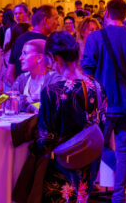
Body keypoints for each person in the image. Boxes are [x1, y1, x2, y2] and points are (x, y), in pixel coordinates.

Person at [81, 0, 126, 203]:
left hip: (103, 104)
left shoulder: (95, 38)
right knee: (123, 149)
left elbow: (87, 73)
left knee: (98, 147)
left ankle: (86, 194)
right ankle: (119, 196)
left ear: (106, 14)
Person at [35, 31, 104, 202]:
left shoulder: (52, 91)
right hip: (89, 160)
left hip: (63, 162)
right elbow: (101, 122)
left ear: (55, 57)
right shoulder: (95, 85)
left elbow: (45, 138)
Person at [8, 5, 59, 83]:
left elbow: (9, 74)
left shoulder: (19, 39)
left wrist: (19, 90)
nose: (58, 23)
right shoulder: (48, 43)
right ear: (46, 20)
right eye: (56, 19)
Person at [11, 39, 60, 112]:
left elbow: (48, 107)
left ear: (39, 58)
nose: (20, 58)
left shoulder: (54, 79)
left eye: (25, 53)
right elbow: (6, 98)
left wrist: (27, 104)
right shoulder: (22, 78)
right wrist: (26, 100)